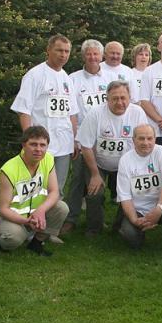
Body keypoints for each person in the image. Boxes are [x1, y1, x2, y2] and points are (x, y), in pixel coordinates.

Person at [72, 80, 148, 236]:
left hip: (126, 163)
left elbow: (143, 141)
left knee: (130, 191)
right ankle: (94, 228)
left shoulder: (138, 113)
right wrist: (94, 174)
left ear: (129, 97)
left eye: (123, 98)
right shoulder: (95, 113)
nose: (120, 102)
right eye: (115, 98)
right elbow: (85, 146)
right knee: (95, 192)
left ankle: (119, 225)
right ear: (107, 99)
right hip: (98, 161)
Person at [10, 34, 79, 196]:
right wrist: (29, 141)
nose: (63, 55)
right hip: (40, 146)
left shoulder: (67, 79)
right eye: (59, 50)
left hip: (63, 145)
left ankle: (54, 213)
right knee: (36, 190)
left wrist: (74, 140)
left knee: (57, 190)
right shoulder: (35, 75)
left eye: (67, 51)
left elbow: (72, 114)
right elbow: (23, 110)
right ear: (48, 50)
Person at [0, 126, 68, 256]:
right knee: (13, 237)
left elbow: (54, 192)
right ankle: (1, 242)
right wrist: (27, 222)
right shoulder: (9, 170)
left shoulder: (48, 159)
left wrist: (40, 211)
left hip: (30, 210)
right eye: (33, 144)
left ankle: (36, 244)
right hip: (4, 214)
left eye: (42, 145)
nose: (38, 149)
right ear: (24, 145)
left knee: (61, 208)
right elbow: (3, 209)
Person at [61, 39, 106, 235]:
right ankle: (70, 219)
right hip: (81, 137)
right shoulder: (73, 79)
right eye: (89, 54)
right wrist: (74, 139)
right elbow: (69, 111)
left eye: (96, 54)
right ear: (83, 56)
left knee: (98, 181)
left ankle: (96, 221)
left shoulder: (109, 78)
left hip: (105, 139)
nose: (93, 57)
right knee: (78, 180)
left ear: (101, 56)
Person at [115, 124, 162, 256]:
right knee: (133, 239)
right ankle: (136, 230)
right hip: (137, 209)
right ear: (133, 140)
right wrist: (134, 220)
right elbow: (124, 196)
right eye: (141, 138)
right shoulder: (125, 160)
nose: (146, 143)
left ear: (155, 139)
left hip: (161, 206)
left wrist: (159, 209)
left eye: (149, 138)